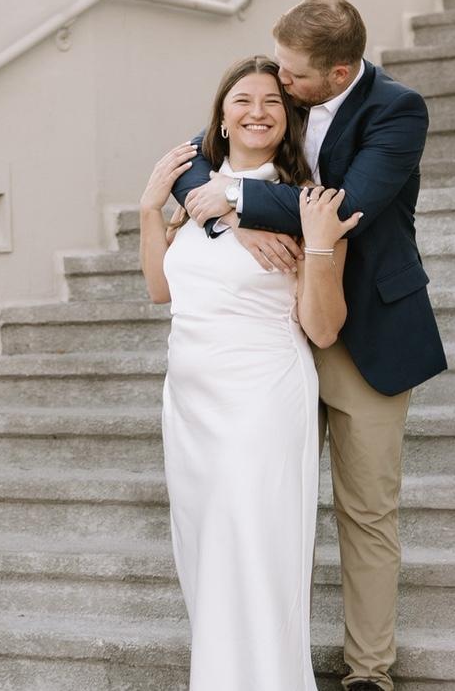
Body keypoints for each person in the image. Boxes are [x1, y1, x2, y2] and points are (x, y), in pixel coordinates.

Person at [175, 0, 447, 691]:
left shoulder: (398, 111)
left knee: (366, 511)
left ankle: (368, 671)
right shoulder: (283, 92)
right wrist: (229, 218)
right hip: (271, 338)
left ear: (338, 73)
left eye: (293, 75)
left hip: (367, 334)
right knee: (261, 509)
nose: (280, 83)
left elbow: (345, 208)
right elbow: (196, 159)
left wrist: (237, 201)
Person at [139, 56, 359, 691]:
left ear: (289, 117)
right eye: (242, 99)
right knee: (204, 551)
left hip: (261, 396)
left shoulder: (303, 202)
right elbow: (162, 290)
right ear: (221, 115)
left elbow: (323, 328)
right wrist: (151, 208)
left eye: (271, 101)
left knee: (254, 552)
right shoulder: (197, 197)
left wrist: (320, 248)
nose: (257, 112)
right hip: (189, 402)